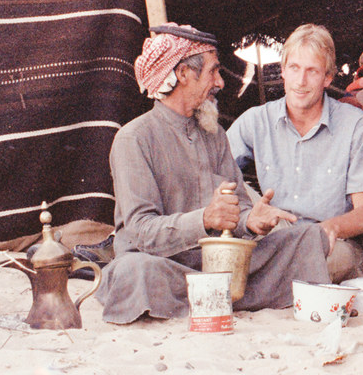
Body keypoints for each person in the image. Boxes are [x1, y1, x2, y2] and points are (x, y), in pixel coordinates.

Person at [96, 23, 331, 324]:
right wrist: (204, 220)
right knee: (134, 272)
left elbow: (239, 208)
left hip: (221, 263)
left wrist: (252, 220)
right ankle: (222, 298)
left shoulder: (214, 133)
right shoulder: (135, 138)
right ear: (183, 75)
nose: (220, 81)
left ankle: (217, 298)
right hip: (166, 264)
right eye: (212, 72)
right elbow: (141, 231)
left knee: (308, 237)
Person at [227, 24, 363, 283]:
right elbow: (212, 173)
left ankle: (266, 280)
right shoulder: (256, 120)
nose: (301, 82)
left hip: (330, 243)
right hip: (271, 236)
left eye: (312, 71)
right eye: (294, 69)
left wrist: (331, 227)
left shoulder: (355, 125)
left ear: (328, 78)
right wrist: (250, 213)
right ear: (283, 72)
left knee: (323, 263)